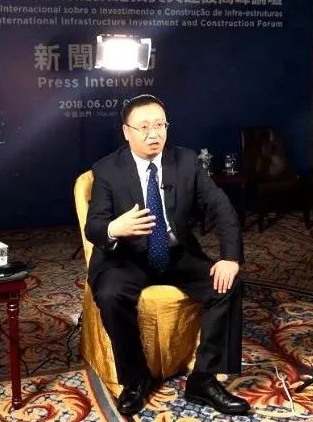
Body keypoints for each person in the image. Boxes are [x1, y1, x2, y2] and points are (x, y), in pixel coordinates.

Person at [85, 94, 250, 416]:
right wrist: (115, 227)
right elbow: (95, 226)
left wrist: (230, 258)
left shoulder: (186, 161)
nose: (154, 134)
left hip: (176, 253)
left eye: (160, 125)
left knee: (228, 285)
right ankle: (136, 378)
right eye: (144, 127)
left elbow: (221, 208)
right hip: (127, 258)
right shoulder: (107, 169)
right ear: (126, 132)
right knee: (110, 293)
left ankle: (204, 378)